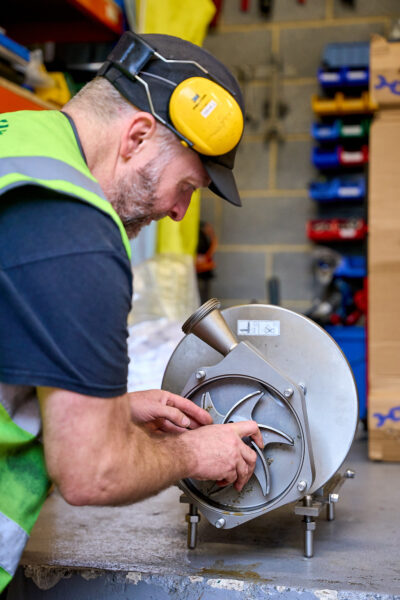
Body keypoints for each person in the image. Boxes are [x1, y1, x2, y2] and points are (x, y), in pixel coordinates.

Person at [0, 32, 263, 592]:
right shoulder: (77, 231)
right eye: (186, 185)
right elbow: (92, 473)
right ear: (138, 135)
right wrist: (195, 450)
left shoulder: (16, 140)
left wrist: (108, 409)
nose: (177, 212)